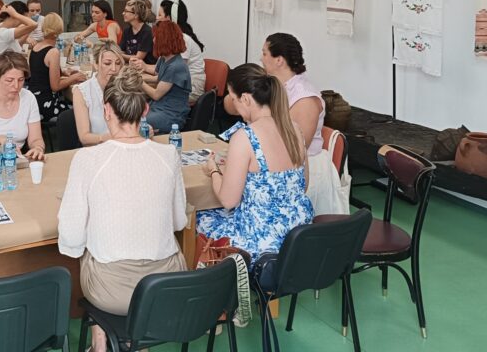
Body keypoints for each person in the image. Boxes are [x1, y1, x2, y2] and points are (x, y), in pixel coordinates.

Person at [58, 68, 187, 352]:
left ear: (106, 110)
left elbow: (71, 237)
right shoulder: (169, 155)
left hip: (111, 292)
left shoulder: (87, 159)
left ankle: (100, 341)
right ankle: (135, 342)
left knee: (86, 248)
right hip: (165, 286)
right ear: (145, 110)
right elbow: (179, 221)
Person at [196, 64, 312, 265]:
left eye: (234, 99)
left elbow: (228, 201)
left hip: (260, 241)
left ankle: (213, 279)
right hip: (298, 234)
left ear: (246, 99)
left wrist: (213, 170)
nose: (234, 106)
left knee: (197, 217)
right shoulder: (294, 128)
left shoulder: (245, 137)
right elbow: (304, 184)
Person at [260, 33, 348, 215]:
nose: (261, 59)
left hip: (305, 168)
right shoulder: (275, 86)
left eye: (264, 53)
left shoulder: (304, 98)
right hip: (281, 158)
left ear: (279, 60)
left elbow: (296, 149)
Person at [132, 21, 191, 133]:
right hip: (159, 107)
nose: (153, 40)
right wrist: (140, 76)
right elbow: (160, 77)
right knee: (130, 113)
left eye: (156, 37)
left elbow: (156, 95)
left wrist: (139, 80)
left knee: (134, 122)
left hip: (171, 115)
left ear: (164, 40)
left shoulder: (175, 66)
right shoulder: (165, 58)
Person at [26, 13, 86, 121]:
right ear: (59, 31)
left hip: (34, 100)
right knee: (82, 110)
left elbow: (41, 72)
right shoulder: (53, 52)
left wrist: (64, 73)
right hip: (46, 104)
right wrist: (74, 77)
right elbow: (55, 86)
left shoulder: (36, 47)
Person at [71, 41, 124, 146]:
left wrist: (143, 129)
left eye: (118, 63)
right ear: (95, 64)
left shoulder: (125, 87)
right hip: (97, 150)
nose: (114, 69)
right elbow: (84, 137)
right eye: (107, 63)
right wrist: (109, 138)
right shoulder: (82, 91)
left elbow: (137, 123)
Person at [156, 0, 206, 102]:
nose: (157, 18)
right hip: (178, 82)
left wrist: (142, 80)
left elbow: (175, 73)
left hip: (191, 87)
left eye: (160, 15)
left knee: (150, 94)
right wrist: (143, 66)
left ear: (169, 19)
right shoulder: (174, 39)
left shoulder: (182, 39)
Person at [120, 0, 155, 65]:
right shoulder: (126, 31)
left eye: (126, 11)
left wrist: (118, 55)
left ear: (136, 15)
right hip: (130, 66)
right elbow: (122, 51)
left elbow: (138, 58)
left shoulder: (147, 32)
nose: (123, 13)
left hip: (145, 68)